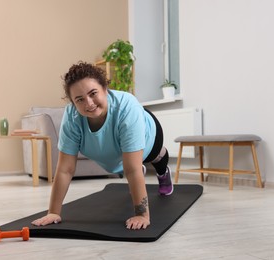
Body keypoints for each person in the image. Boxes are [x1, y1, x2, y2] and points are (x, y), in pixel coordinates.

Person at [31, 61, 173, 230]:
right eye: (80, 99)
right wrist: (53, 212)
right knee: (129, 165)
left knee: (153, 159)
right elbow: (65, 169)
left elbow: (132, 170)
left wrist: (142, 215)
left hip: (150, 136)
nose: (89, 103)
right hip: (116, 152)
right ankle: (134, 164)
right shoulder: (72, 118)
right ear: (73, 104)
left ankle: (163, 171)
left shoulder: (127, 107)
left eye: (93, 93)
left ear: (105, 89)